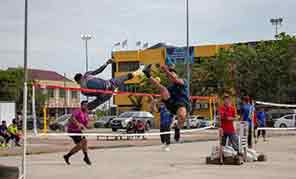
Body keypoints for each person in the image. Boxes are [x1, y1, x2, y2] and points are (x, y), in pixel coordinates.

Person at [143, 64, 191, 142]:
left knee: (181, 116)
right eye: (169, 76)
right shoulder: (170, 87)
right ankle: (147, 74)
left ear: (176, 75)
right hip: (172, 104)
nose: (170, 76)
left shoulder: (183, 81)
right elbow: (161, 95)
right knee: (163, 88)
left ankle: (177, 128)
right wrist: (154, 101)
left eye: (172, 74)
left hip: (182, 104)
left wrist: (166, 71)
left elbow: (175, 79)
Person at [74, 59, 144, 111]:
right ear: (81, 76)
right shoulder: (87, 75)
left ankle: (83, 111)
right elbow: (99, 70)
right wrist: (106, 63)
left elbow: (95, 95)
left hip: (106, 93)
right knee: (125, 77)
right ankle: (140, 71)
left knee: (95, 103)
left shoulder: (83, 91)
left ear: (78, 82)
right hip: (109, 84)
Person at [63, 101, 91, 165]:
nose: (86, 106)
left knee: (84, 141)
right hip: (72, 130)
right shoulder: (78, 110)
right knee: (80, 145)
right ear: (81, 105)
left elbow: (86, 124)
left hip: (78, 131)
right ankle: (67, 156)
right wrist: (78, 124)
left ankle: (85, 157)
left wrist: (89, 126)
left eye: (87, 105)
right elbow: (72, 118)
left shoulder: (86, 114)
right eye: (84, 105)